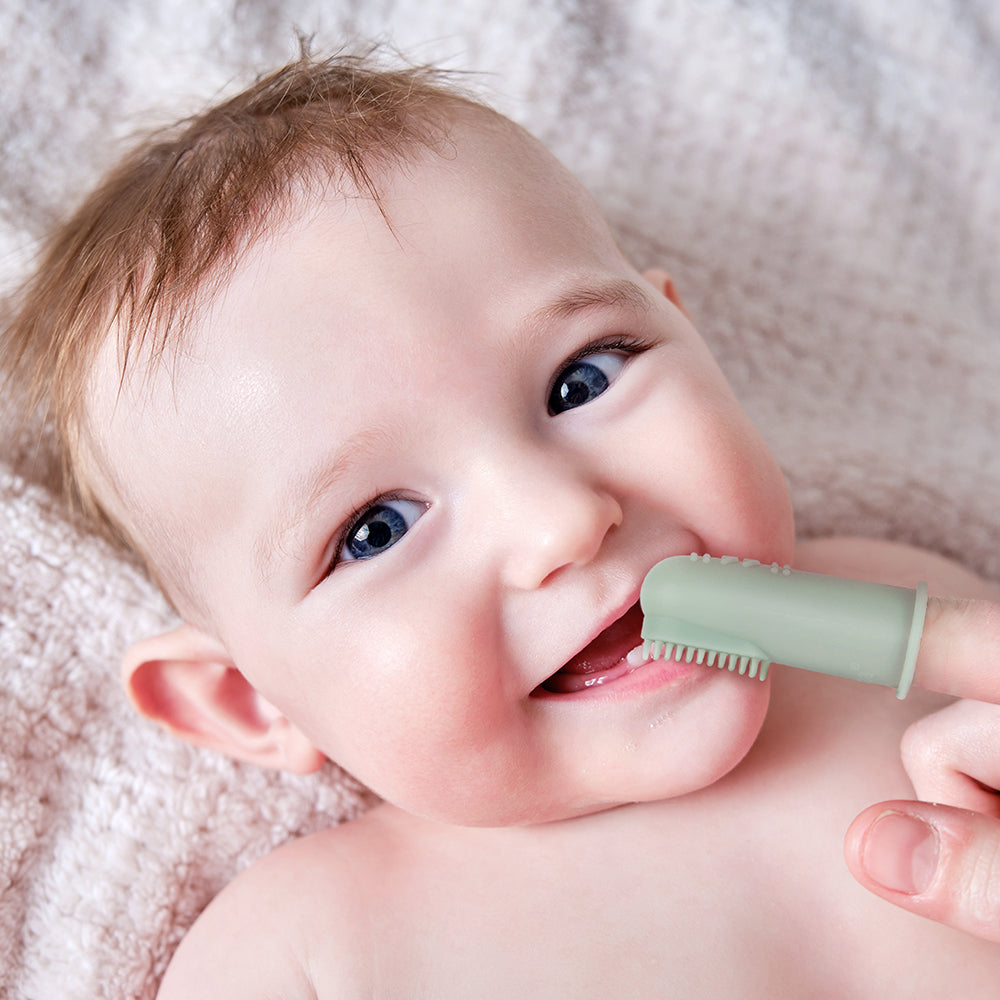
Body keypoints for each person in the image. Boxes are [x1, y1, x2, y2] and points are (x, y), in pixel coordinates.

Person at [4, 51, 1000, 997]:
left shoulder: (912, 621)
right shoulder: (308, 950)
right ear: (247, 700)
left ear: (690, 338)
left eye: (583, 377)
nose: (562, 519)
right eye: (375, 529)